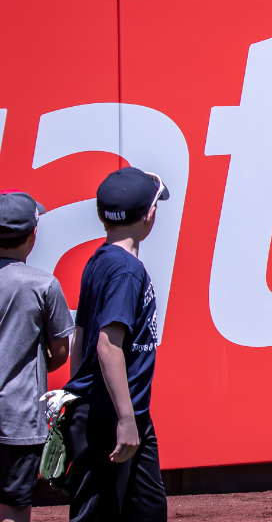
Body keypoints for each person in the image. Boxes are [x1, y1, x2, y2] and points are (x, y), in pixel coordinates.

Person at [63, 168, 169, 521]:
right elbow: (107, 344)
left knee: (148, 509)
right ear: (149, 215)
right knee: (97, 514)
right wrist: (123, 418)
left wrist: (78, 394)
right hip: (112, 415)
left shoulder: (102, 259)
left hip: (127, 411)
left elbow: (79, 334)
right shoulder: (125, 269)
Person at [0, 191, 74, 522]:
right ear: (32, 236)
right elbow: (60, 352)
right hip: (18, 419)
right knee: (15, 509)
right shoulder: (43, 285)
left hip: (18, 420)